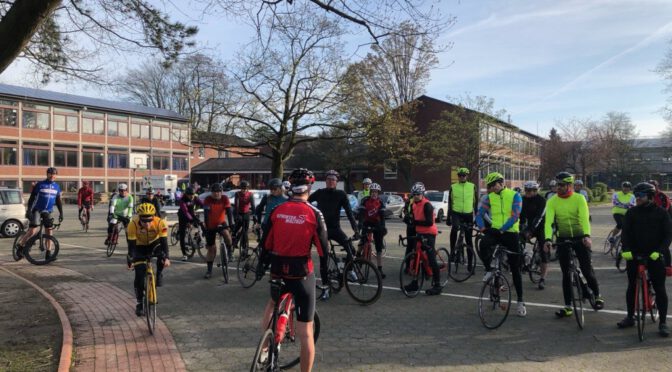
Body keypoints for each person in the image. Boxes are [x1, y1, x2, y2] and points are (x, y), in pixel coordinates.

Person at [257, 168, 328, 372]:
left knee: (272, 303)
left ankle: (264, 348)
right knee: (306, 331)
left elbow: (265, 244)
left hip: (278, 269)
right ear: (310, 187)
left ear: (290, 187)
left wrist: (262, 266)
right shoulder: (314, 213)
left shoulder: (277, 211)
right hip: (301, 273)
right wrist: (325, 278)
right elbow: (324, 251)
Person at [545, 172, 604, 318]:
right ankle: (568, 306)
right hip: (563, 238)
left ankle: (597, 296)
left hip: (580, 237)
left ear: (569, 185)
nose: (558, 187)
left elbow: (584, 218)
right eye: (557, 185)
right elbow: (549, 222)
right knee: (566, 274)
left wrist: (587, 236)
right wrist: (547, 239)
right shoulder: (552, 201)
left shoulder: (579, 198)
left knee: (586, 269)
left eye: (561, 185)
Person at [618, 182, 672, 336]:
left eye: (640, 196)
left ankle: (662, 322)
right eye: (636, 196)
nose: (637, 198)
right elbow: (625, 234)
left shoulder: (661, 213)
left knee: (660, 288)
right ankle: (630, 317)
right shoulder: (631, 213)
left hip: (655, 254)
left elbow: (668, 235)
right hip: (635, 254)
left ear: (649, 196)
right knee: (632, 286)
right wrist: (626, 250)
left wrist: (659, 251)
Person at [476, 172, 526, 316]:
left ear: (501, 182)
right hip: (496, 230)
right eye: (489, 186)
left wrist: (504, 229)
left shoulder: (514, 195)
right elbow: (479, 214)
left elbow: (515, 215)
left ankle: (520, 302)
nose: (492, 188)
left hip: (510, 232)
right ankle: (489, 269)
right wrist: (482, 228)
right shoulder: (489, 198)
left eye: (494, 185)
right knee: (483, 244)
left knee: (515, 269)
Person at [308, 170, 359, 300]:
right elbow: (305, 202)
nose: (331, 181)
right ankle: (325, 289)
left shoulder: (341, 194)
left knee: (351, 249)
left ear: (337, 182)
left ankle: (349, 269)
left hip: (335, 229)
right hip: (322, 230)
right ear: (326, 181)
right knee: (323, 259)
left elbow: (349, 213)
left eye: (333, 179)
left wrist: (356, 229)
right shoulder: (319, 193)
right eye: (329, 179)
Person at [126, 203, 170, 316]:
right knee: (139, 275)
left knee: (162, 255)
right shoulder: (132, 225)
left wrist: (167, 258)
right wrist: (130, 259)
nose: (147, 224)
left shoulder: (160, 222)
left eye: (150, 220)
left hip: (154, 244)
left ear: (154, 217)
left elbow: (164, 243)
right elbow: (131, 246)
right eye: (144, 221)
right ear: (139, 218)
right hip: (139, 247)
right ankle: (140, 303)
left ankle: (159, 273)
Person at [403, 182, 443, 296]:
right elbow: (415, 221)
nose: (415, 196)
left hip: (429, 233)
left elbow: (429, 222)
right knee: (416, 257)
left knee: (431, 259)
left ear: (422, 194)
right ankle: (415, 282)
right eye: (414, 194)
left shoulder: (427, 205)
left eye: (418, 194)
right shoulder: (414, 205)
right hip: (419, 233)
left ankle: (437, 285)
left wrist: (414, 222)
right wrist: (408, 221)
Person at [17, 167, 64, 259]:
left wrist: (61, 213)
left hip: (48, 211)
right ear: (47, 174)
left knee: (49, 231)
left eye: (54, 174)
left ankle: (48, 253)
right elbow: (32, 198)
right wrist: (29, 210)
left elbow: (58, 201)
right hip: (37, 210)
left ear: (56, 175)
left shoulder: (57, 187)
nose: (52, 175)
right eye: (50, 173)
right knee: (32, 231)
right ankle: (20, 246)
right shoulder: (40, 184)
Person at [447, 167, 477, 272]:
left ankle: (470, 265)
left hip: (468, 214)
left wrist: (476, 217)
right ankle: (452, 252)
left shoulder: (472, 186)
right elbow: (450, 202)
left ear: (467, 176)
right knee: (455, 228)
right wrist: (448, 217)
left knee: (469, 240)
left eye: (464, 175)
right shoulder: (453, 187)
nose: (461, 177)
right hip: (456, 213)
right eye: (460, 175)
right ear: (458, 176)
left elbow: (475, 202)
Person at [519, 181, 548, 290]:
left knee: (543, 252)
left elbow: (539, 217)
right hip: (529, 227)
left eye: (531, 190)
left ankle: (542, 279)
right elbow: (520, 216)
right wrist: (521, 228)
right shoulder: (522, 199)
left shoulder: (541, 200)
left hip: (541, 227)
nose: (528, 192)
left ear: (536, 191)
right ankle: (523, 262)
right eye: (526, 190)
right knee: (518, 242)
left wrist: (530, 231)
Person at [202, 183, 234, 278]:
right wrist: (207, 228)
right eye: (215, 192)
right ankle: (209, 271)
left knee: (226, 234)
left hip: (221, 222)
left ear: (221, 192)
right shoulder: (208, 200)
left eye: (219, 192)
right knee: (212, 249)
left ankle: (230, 251)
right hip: (210, 225)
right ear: (211, 192)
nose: (217, 194)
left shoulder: (225, 198)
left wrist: (231, 223)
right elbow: (206, 214)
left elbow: (229, 211)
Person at [356, 182, 388, 279]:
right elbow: (361, 214)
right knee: (362, 242)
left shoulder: (381, 202)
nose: (374, 193)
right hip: (366, 222)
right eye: (372, 192)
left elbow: (382, 217)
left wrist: (383, 227)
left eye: (376, 192)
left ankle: (380, 269)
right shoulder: (364, 200)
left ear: (378, 193)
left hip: (376, 223)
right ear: (370, 192)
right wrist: (360, 225)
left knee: (379, 247)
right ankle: (358, 256)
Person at [177, 187, 204, 261]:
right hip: (183, 216)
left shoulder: (195, 198)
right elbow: (185, 212)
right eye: (190, 195)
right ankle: (184, 254)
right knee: (182, 235)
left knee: (201, 224)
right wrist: (191, 220)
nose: (191, 196)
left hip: (191, 214)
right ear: (186, 194)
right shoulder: (182, 200)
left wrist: (208, 207)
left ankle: (198, 239)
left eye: (193, 194)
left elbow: (202, 204)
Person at [233, 180, 256, 253]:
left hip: (246, 213)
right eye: (243, 188)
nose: (244, 190)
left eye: (246, 188)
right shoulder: (237, 194)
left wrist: (254, 215)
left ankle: (244, 247)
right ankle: (233, 238)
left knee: (245, 231)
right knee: (237, 227)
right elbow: (236, 205)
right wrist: (236, 216)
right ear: (240, 188)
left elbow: (253, 205)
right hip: (238, 212)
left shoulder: (250, 194)